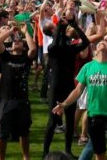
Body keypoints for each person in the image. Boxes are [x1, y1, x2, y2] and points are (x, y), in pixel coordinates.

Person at [53, 39, 107, 160]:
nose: (102, 43)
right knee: (99, 154)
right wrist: (64, 104)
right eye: (100, 43)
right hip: (94, 116)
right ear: (94, 50)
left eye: (105, 43)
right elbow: (78, 90)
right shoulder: (87, 67)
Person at [42, 11, 90, 159]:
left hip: (67, 86)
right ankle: (45, 153)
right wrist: (62, 26)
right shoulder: (53, 49)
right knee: (52, 121)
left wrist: (73, 24)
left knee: (69, 120)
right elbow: (57, 43)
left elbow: (86, 42)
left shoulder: (70, 48)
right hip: (57, 87)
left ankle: (68, 150)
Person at [0, 21, 36, 160]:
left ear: (23, 46)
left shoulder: (26, 58)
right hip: (6, 100)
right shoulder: (6, 57)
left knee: (24, 132)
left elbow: (33, 49)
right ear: (11, 46)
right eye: (14, 41)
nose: (17, 42)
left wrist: (25, 32)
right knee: (2, 134)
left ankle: (26, 157)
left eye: (20, 41)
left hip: (22, 100)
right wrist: (11, 31)